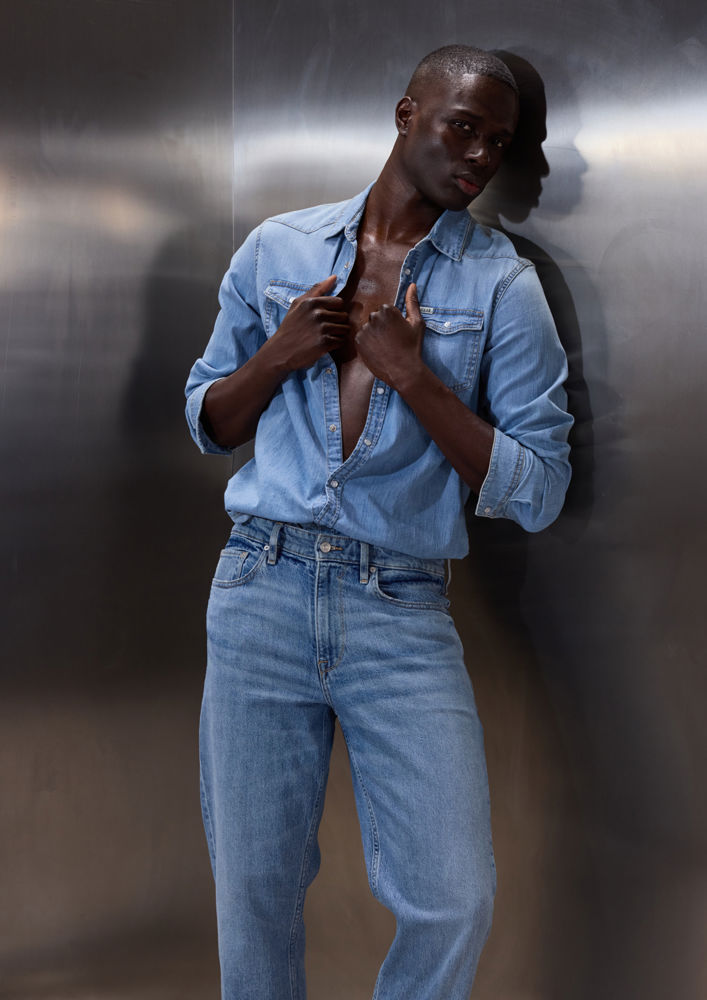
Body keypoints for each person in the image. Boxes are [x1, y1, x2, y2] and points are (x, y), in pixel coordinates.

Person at [185, 44, 572, 1000]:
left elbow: (538, 488)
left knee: (452, 897)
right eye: (462, 128)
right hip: (260, 587)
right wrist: (275, 357)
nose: (479, 156)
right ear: (407, 115)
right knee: (254, 892)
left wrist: (414, 377)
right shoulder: (276, 248)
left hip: (397, 606)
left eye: (498, 143)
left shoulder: (501, 285)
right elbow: (209, 420)